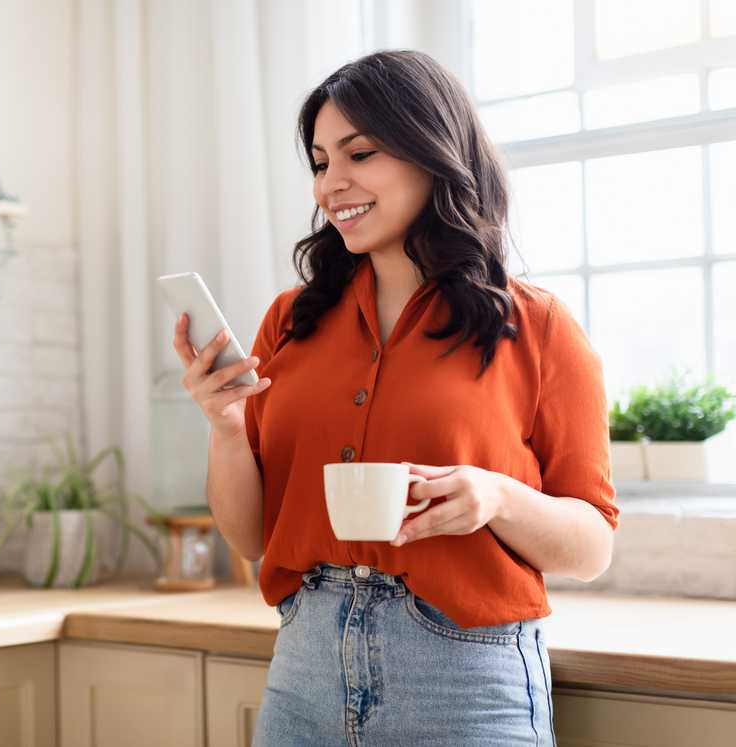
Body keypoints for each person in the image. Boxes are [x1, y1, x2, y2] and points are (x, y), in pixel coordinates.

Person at [171, 50, 619, 746]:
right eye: (320, 162)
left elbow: (591, 546)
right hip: (304, 671)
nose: (331, 184)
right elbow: (252, 537)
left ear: (432, 151)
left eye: (361, 153)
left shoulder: (537, 327)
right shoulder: (291, 321)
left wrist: (495, 496)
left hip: (465, 682)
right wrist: (226, 427)